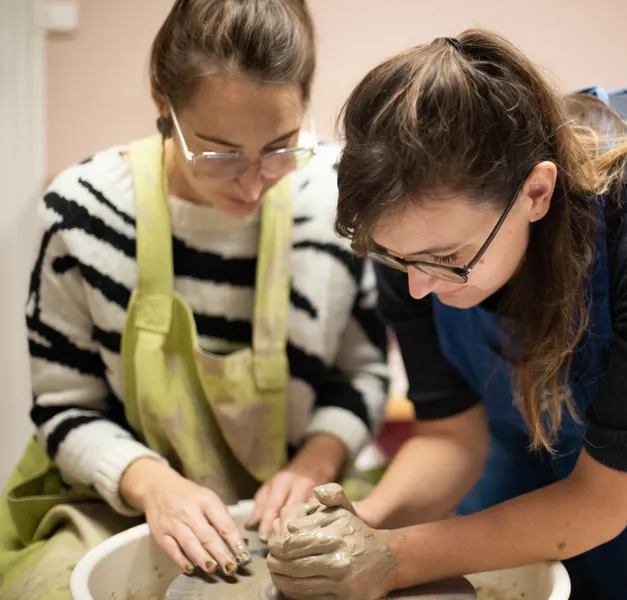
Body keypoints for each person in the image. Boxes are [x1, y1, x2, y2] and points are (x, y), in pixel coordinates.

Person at [264, 29, 627, 600]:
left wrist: (396, 559)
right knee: (512, 498)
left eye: (446, 260)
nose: (417, 288)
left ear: (536, 194)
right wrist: (359, 529)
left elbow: (599, 501)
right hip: (546, 267)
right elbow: (451, 439)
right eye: (398, 260)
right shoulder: (406, 230)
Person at [0, 1, 388, 598]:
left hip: (294, 500)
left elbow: (361, 373)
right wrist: (151, 483)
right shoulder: (84, 213)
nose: (253, 181)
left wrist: (314, 464)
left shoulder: (331, 202)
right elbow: (65, 407)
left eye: (281, 147)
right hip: (119, 503)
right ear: (163, 102)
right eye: (221, 154)